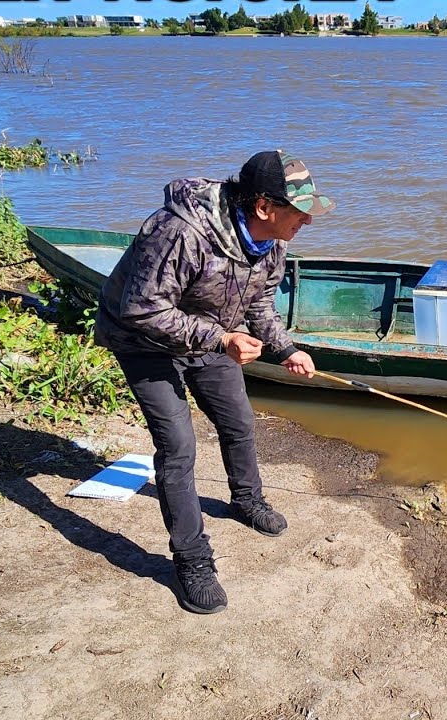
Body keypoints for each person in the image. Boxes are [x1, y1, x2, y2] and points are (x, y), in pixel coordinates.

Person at [94, 150, 334, 614]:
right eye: (300, 210)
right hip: (143, 341)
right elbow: (141, 309)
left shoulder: (272, 240)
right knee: (179, 447)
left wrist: (286, 349)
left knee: (238, 421)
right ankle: (192, 560)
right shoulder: (179, 231)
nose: (307, 219)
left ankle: (247, 500)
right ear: (264, 207)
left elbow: (259, 304)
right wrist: (221, 337)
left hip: (210, 335)